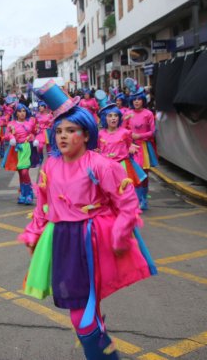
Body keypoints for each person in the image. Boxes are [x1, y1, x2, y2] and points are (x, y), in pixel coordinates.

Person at [19, 80, 157, 359]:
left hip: (94, 240)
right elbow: (42, 205)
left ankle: (104, 355)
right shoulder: (50, 164)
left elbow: (127, 203)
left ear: (86, 133)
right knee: (82, 309)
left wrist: (120, 236)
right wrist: (34, 233)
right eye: (58, 131)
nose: (63, 136)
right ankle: (102, 347)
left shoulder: (101, 165)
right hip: (62, 241)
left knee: (81, 315)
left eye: (71, 130)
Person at [98, 102, 147, 188]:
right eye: (110, 116)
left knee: (124, 191)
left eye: (116, 116)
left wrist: (132, 147)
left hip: (122, 166)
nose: (113, 118)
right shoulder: (100, 134)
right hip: (106, 168)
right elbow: (98, 150)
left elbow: (130, 145)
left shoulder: (125, 132)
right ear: (104, 118)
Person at [126, 88, 158, 210]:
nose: (137, 101)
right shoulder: (128, 113)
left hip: (144, 147)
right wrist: (129, 135)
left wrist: (139, 135)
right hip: (131, 147)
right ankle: (135, 199)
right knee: (132, 174)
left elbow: (153, 131)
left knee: (144, 174)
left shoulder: (148, 114)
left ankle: (144, 199)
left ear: (143, 100)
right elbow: (123, 129)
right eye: (134, 99)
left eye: (139, 99)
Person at [2, 103, 38, 205]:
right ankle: (23, 194)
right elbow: (6, 135)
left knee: (24, 172)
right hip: (16, 150)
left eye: (23, 111)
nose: (22, 113)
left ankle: (29, 194)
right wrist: (11, 137)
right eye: (19, 111)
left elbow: (35, 132)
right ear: (16, 113)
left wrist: (34, 139)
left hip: (27, 148)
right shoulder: (11, 124)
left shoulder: (30, 122)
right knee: (20, 173)